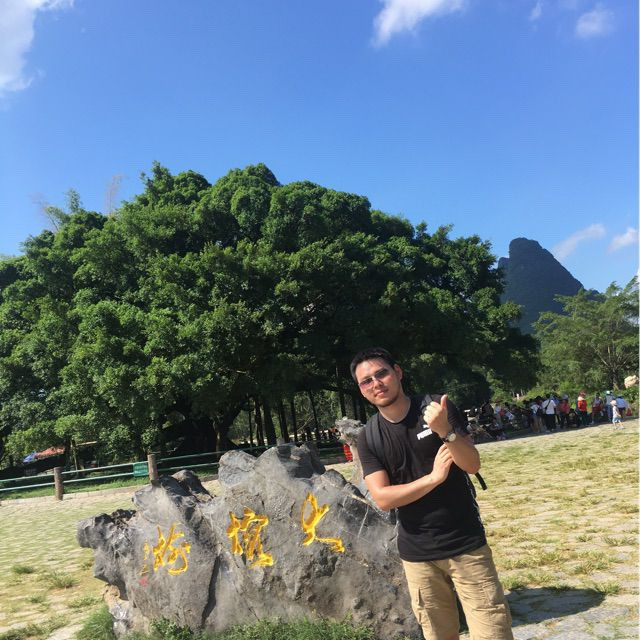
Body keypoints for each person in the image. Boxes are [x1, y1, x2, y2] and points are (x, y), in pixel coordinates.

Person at [352, 347, 513, 640]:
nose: (376, 383)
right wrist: (433, 479)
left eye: (381, 373)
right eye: (366, 381)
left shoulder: (437, 407)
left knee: (494, 633)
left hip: (466, 545)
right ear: (362, 390)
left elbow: (471, 464)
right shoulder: (369, 437)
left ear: (397, 372)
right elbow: (383, 498)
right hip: (417, 556)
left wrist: (445, 431)